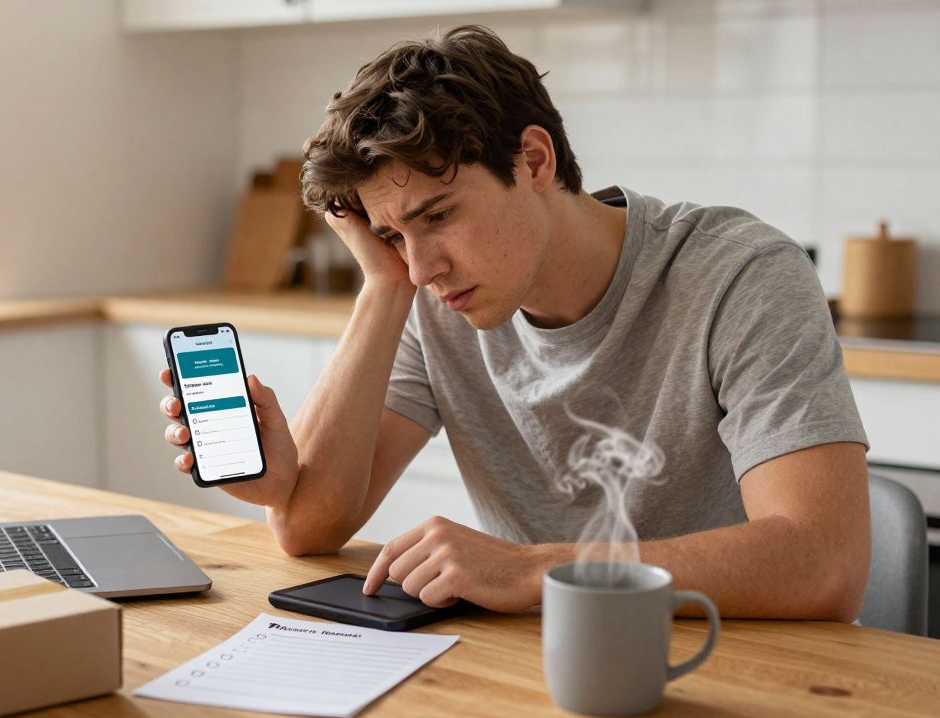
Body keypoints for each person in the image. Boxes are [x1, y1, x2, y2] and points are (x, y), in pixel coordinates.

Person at [158, 25, 869, 621]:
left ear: (533, 159)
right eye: (392, 236)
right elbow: (307, 529)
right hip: (534, 670)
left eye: (436, 216)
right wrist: (380, 287)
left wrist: (535, 571)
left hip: (730, 670)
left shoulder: (740, 275)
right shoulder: (435, 294)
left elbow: (824, 563)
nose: (421, 266)